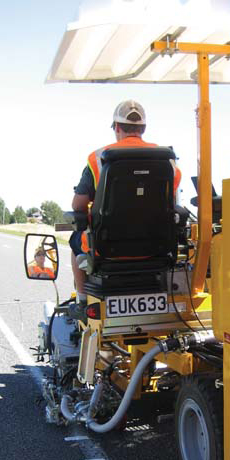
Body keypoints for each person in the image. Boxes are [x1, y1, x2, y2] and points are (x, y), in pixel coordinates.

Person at [70, 99, 181, 305]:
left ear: (117, 127)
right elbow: (172, 200)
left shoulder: (97, 158)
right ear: (144, 128)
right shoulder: (167, 161)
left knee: (74, 239)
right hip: (155, 247)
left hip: (106, 248)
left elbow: (77, 205)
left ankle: (83, 300)